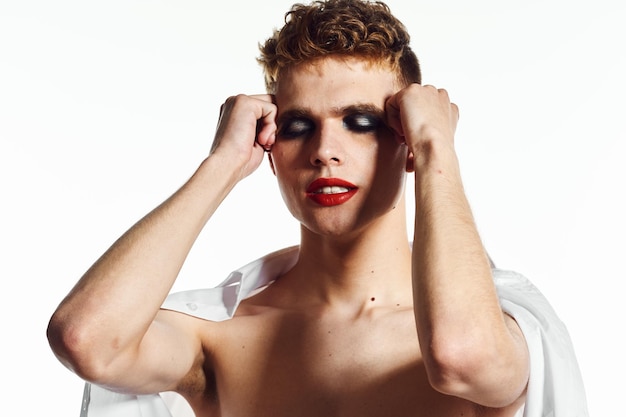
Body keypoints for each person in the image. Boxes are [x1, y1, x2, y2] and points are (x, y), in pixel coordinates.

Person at [47, 1, 588, 416]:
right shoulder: (226, 337)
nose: (324, 150)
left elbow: (460, 358)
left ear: (405, 141)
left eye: (361, 122)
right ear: (271, 147)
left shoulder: (496, 328)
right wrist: (221, 165)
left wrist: (437, 151)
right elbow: (87, 340)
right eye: (298, 126)